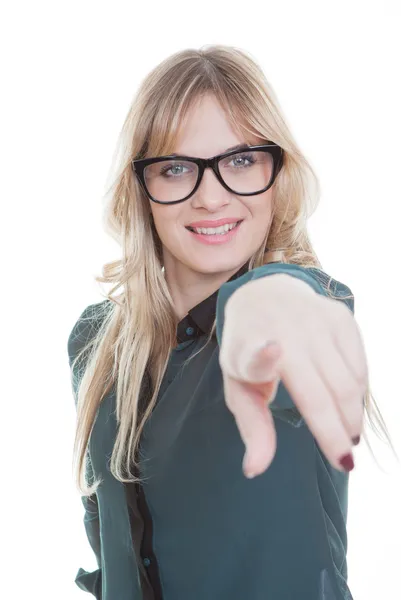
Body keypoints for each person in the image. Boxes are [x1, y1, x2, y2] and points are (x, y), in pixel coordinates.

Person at [67, 45, 393, 600]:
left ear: (277, 172)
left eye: (241, 161)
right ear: (142, 188)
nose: (212, 196)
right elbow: (116, 547)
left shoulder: (290, 312)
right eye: (176, 168)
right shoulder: (97, 343)